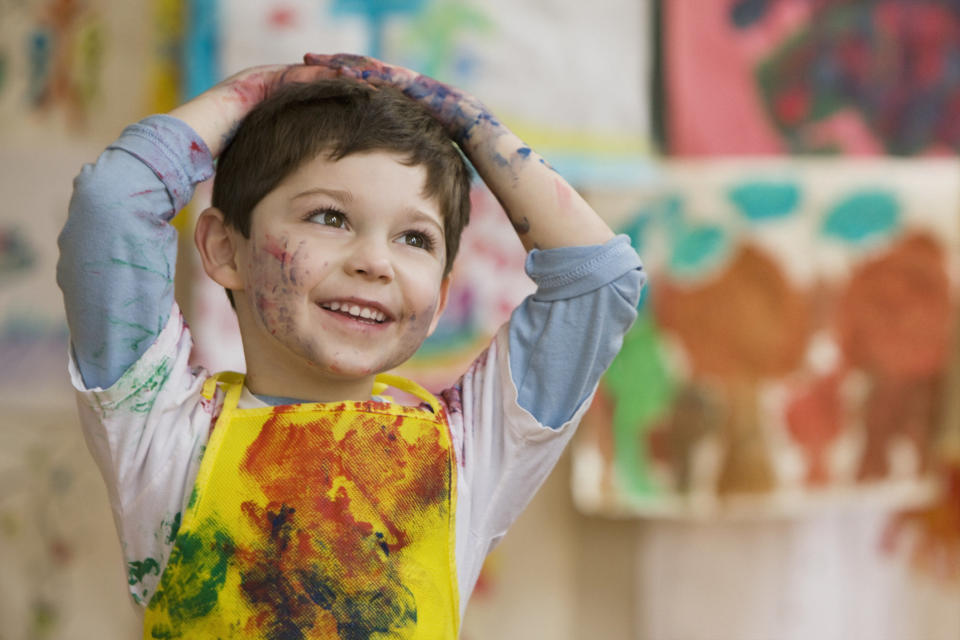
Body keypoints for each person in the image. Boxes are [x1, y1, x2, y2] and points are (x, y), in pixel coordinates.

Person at [58, 53, 644, 638]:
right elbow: (113, 204)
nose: (374, 262)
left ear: (440, 298)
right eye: (329, 217)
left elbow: (599, 280)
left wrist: (465, 121)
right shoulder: (159, 431)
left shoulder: (470, 453)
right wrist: (256, 90)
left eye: (414, 237)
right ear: (223, 249)